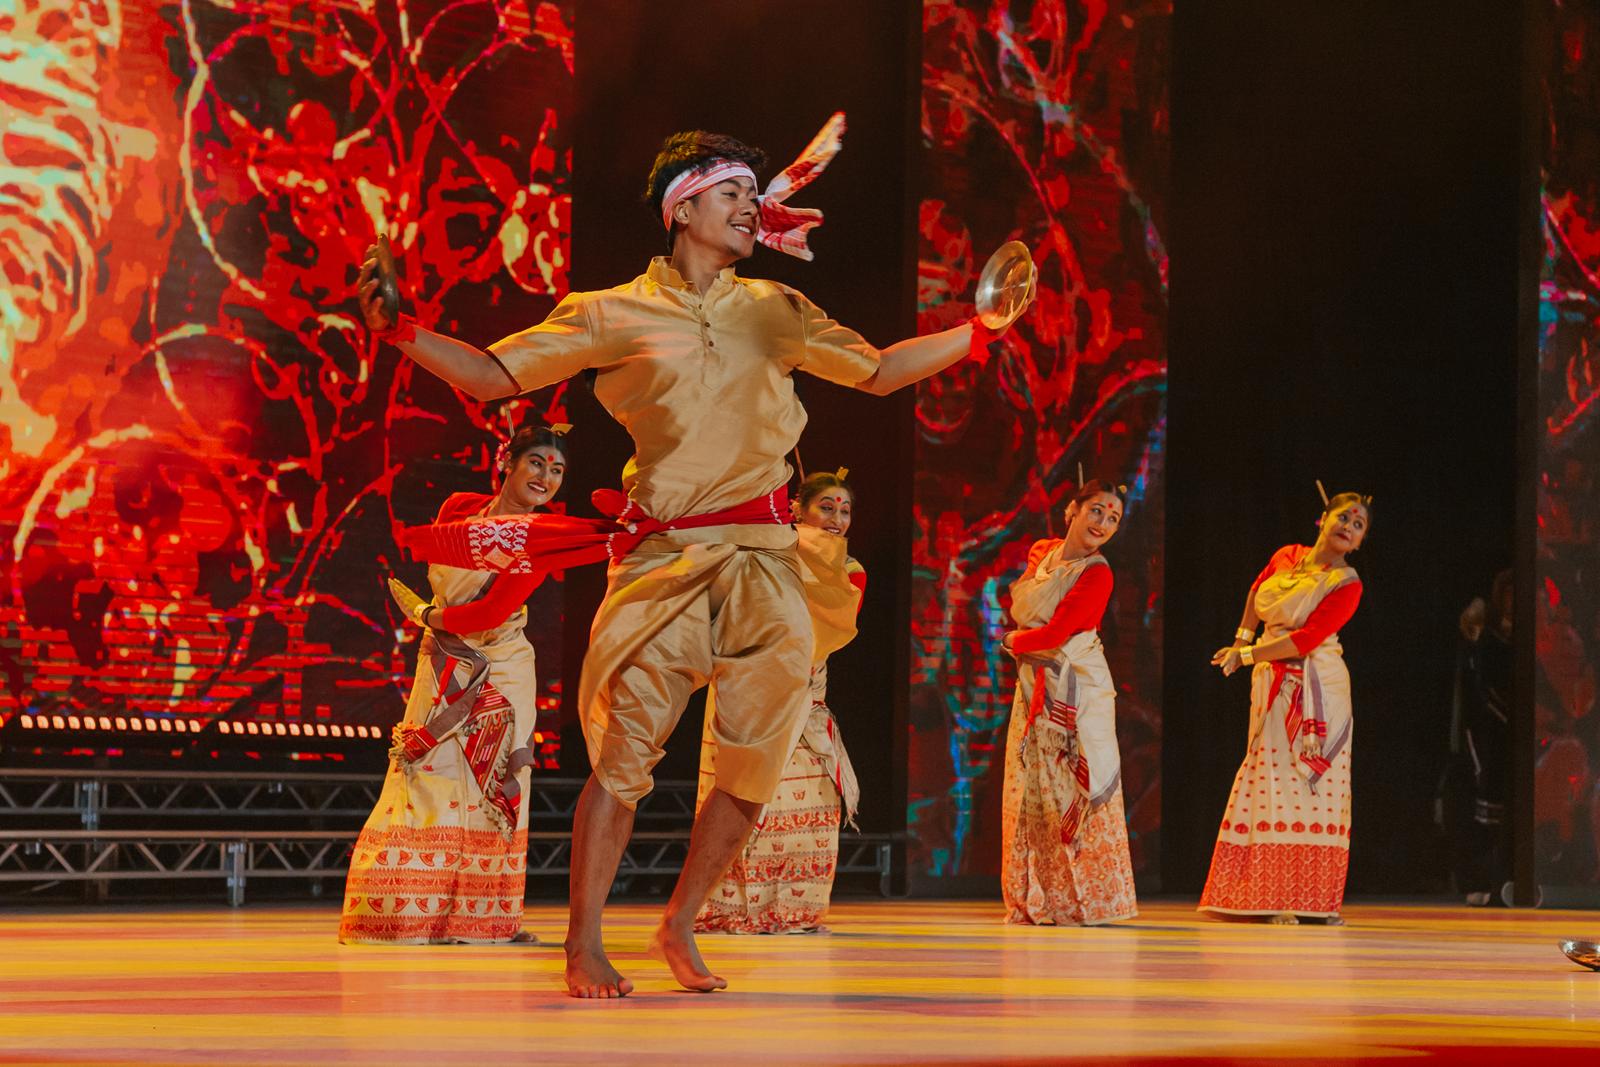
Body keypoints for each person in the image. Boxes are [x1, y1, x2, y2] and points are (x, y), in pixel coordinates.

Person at [356, 117, 1019, 995]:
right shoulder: (611, 312)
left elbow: (881, 371)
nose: (751, 209)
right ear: (683, 208)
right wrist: (400, 329)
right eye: (732, 194)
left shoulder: (774, 309)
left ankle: (680, 919)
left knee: (756, 758)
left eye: (752, 194)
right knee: (622, 756)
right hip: (663, 559)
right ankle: (584, 941)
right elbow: (489, 376)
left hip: (766, 561)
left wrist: (981, 331)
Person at [339, 424, 568, 944]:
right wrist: (436, 623)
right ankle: (405, 916)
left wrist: (423, 614)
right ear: (507, 462)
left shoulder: (540, 537)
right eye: (536, 462)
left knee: (494, 782)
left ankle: (484, 919)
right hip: (443, 657)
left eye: (556, 471)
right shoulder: (459, 508)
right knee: (425, 771)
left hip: (501, 664)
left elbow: (487, 613)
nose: (546, 477)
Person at [696, 469, 867, 934]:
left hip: (803, 695)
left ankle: (795, 909)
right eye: (825, 507)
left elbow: (826, 634)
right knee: (744, 795)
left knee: (809, 801)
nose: (836, 519)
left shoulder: (850, 570)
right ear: (796, 510)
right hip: (748, 685)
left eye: (844, 510)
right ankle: (734, 909)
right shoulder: (764, 555)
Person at [1199, 491, 1369, 924]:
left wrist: (1247, 654)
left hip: (1317, 686)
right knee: (1268, 780)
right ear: (1322, 519)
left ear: (1359, 542)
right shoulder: (1286, 556)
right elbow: (1257, 591)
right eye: (1344, 517)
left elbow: (1307, 639)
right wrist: (1241, 639)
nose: (1349, 526)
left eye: (1359, 525)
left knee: (1308, 785)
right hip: (1270, 678)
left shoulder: (1347, 584)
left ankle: (1311, 900)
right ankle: (1263, 895)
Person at [998, 480, 1137, 925]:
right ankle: (1038, 898)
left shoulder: (1098, 573)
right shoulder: (1042, 553)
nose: (1103, 523)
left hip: (1076, 687)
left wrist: (1013, 641)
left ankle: (1088, 901)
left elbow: (1055, 634)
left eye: (1113, 518)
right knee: (1032, 789)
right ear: (1071, 511)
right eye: (1096, 510)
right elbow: (1024, 609)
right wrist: (1026, 639)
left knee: (1072, 786)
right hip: (1033, 683)